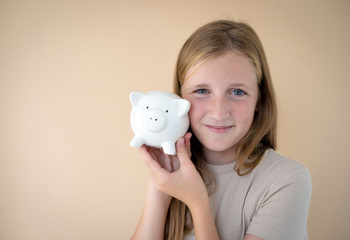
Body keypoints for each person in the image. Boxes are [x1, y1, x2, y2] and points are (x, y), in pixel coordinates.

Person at [131, 20, 312, 240]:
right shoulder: (175, 170)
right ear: (178, 101)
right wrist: (160, 186)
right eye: (201, 90)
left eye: (237, 92)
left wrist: (198, 203)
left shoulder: (287, 180)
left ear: (259, 100)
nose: (218, 113)